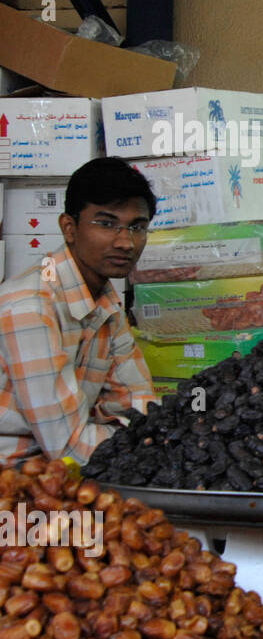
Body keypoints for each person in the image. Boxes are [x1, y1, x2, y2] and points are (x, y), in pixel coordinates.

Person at [0, 158, 157, 464]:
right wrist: (147, 442)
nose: (126, 242)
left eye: (137, 227)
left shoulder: (105, 302)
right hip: (16, 481)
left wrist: (148, 435)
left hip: (69, 470)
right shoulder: (29, 307)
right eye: (107, 223)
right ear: (69, 228)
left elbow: (139, 405)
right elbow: (69, 447)